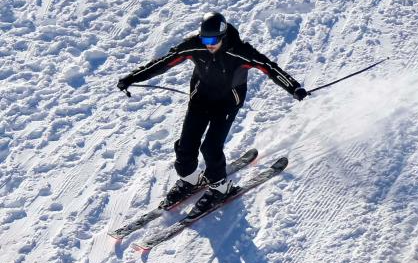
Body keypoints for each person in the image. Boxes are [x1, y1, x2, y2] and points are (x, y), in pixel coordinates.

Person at [117, 11, 308, 207]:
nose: (208, 44)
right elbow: (164, 62)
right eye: (204, 38)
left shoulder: (240, 51)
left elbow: (270, 68)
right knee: (185, 147)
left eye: (213, 39)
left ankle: (221, 189)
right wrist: (132, 77)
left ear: (223, 36)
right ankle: (190, 180)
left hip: (226, 104)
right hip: (200, 100)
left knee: (210, 147)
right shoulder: (195, 45)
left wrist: (294, 88)